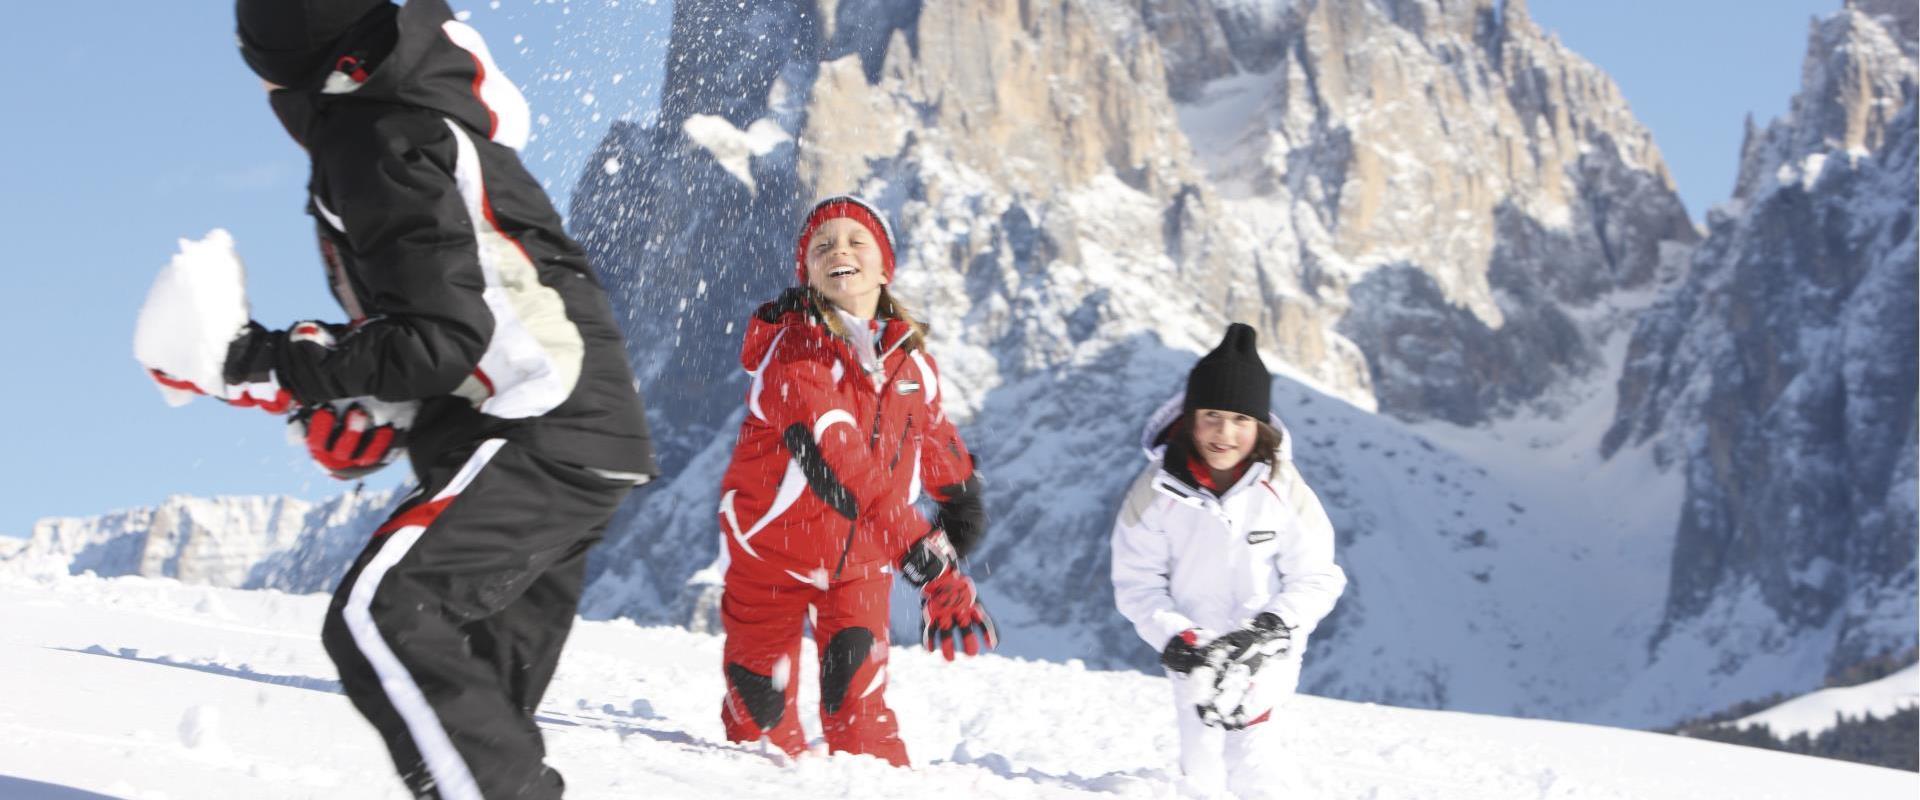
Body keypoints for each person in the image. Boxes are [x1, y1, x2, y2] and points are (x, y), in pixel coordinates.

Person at [159, 2, 660, 797]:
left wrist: (260, 361)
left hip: (541, 428)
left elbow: (443, 337)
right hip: (575, 432)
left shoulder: (378, 135)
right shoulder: (410, 118)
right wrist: (372, 412)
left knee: (382, 615)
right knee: (479, 717)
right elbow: (473, 323)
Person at [713, 195, 994, 766]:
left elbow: (930, 433)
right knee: (761, 734)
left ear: (885, 267)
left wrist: (960, 502)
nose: (838, 249)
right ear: (808, 272)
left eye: (854, 240)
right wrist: (925, 560)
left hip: (860, 565)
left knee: (861, 724)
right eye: (822, 245)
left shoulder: (912, 364)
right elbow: (842, 467)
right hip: (769, 560)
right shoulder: (793, 355)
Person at [1110, 323, 1347, 799]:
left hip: (1264, 656)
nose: (1224, 432)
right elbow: (1136, 582)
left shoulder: (1282, 487)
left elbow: (1318, 575)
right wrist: (1177, 637)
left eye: (1240, 419)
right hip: (1194, 657)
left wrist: (1272, 628)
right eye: (1212, 415)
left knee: (1256, 766)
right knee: (1200, 774)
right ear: (1189, 419)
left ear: (1259, 425)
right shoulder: (1155, 491)